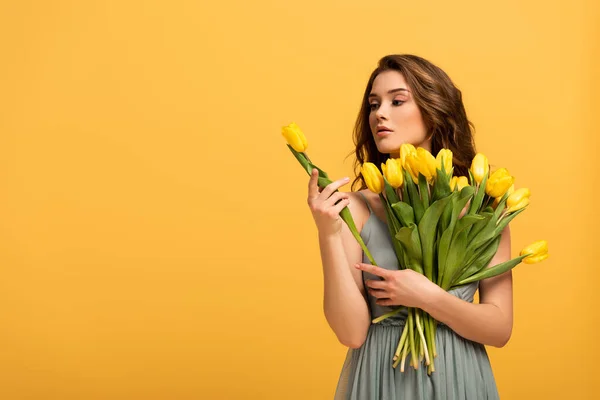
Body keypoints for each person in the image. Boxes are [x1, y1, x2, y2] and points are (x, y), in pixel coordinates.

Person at [306, 54, 512, 399]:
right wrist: (327, 233)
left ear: (436, 110)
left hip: (459, 379)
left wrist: (427, 296)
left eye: (396, 101)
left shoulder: (482, 207)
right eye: (374, 104)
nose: (379, 114)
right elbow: (351, 334)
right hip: (381, 380)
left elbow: (500, 329)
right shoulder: (358, 208)